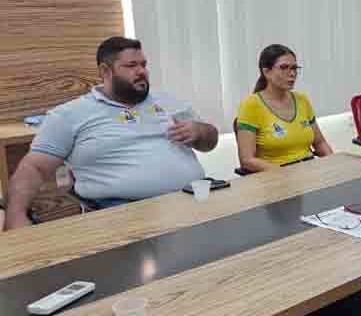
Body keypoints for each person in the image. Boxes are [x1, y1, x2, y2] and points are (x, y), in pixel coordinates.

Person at [3, 37, 218, 231]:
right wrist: (16, 217)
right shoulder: (70, 115)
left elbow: (210, 142)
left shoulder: (168, 101)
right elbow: (34, 168)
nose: (141, 71)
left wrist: (201, 131)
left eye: (143, 65)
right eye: (131, 66)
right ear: (106, 71)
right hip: (124, 212)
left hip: (192, 199)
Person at [235, 44, 333, 172]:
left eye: (294, 68)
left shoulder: (302, 100)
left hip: (309, 172)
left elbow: (320, 143)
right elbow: (247, 160)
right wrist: (287, 175)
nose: (292, 73)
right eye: (283, 68)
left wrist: (333, 164)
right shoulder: (251, 105)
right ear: (266, 72)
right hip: (277, 176)